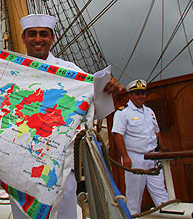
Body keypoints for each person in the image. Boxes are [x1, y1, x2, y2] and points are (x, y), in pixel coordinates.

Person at [10, 14, 123, 219]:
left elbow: (92, 104)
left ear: (52, 38)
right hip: (20, 164)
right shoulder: (11, 69)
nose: (38, 39)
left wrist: (108, 90)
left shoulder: (69, 71)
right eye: (32, 34)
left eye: (44, 34)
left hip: (60, 166)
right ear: (23, 37)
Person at [111, 79, 169, 215]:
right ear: (130, 95)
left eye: (143, 93)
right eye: (137, 93)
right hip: (135, 158)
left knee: (161, 192)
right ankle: (133, 216)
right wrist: (125, 157)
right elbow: (117, 135)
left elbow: (157, 132)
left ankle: (167, 214)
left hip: (153, 157)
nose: (141, 96)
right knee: (134, 196)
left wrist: (164, 150)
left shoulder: (149, 112)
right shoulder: (122, 113)